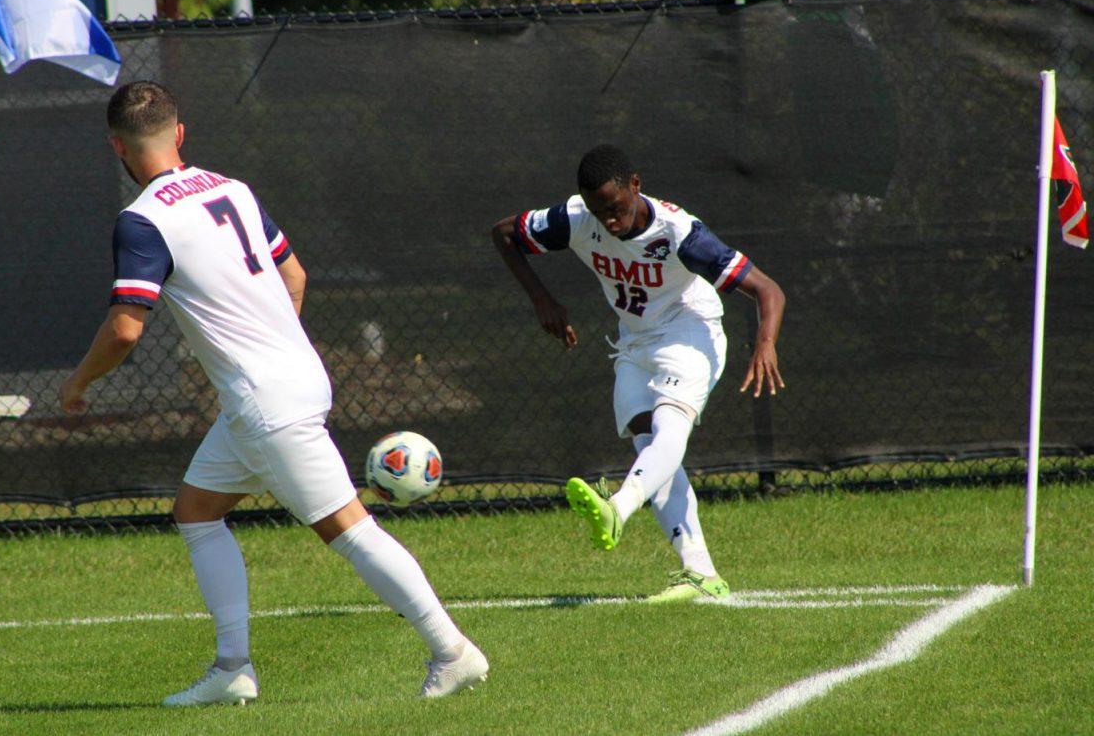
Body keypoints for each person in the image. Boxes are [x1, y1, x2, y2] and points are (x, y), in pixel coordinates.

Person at [60, 81, 487, 706]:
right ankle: (232, 669)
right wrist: (277, 348)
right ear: (180, 133)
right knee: (196, 511)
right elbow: (294, 273)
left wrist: (78, 383)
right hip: (291, 380)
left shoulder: (143, 219)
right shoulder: (232, 188)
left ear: (115, 147)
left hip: (266, 401)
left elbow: (126, 328)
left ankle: (452, 651)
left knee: (349, 530)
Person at [491, 144, 786, 603]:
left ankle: (618, 508)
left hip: (690, 330)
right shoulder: (575, 219)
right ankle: (701, 574)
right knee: (649, 445)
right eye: (597, 211)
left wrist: (765, 343)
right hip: (633, 339)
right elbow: (505, 234)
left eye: (615, 208)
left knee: (670, 427)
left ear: (636, 184)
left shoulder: (681, 233)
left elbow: (768, 290)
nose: (608, 221)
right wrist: (541, 300)